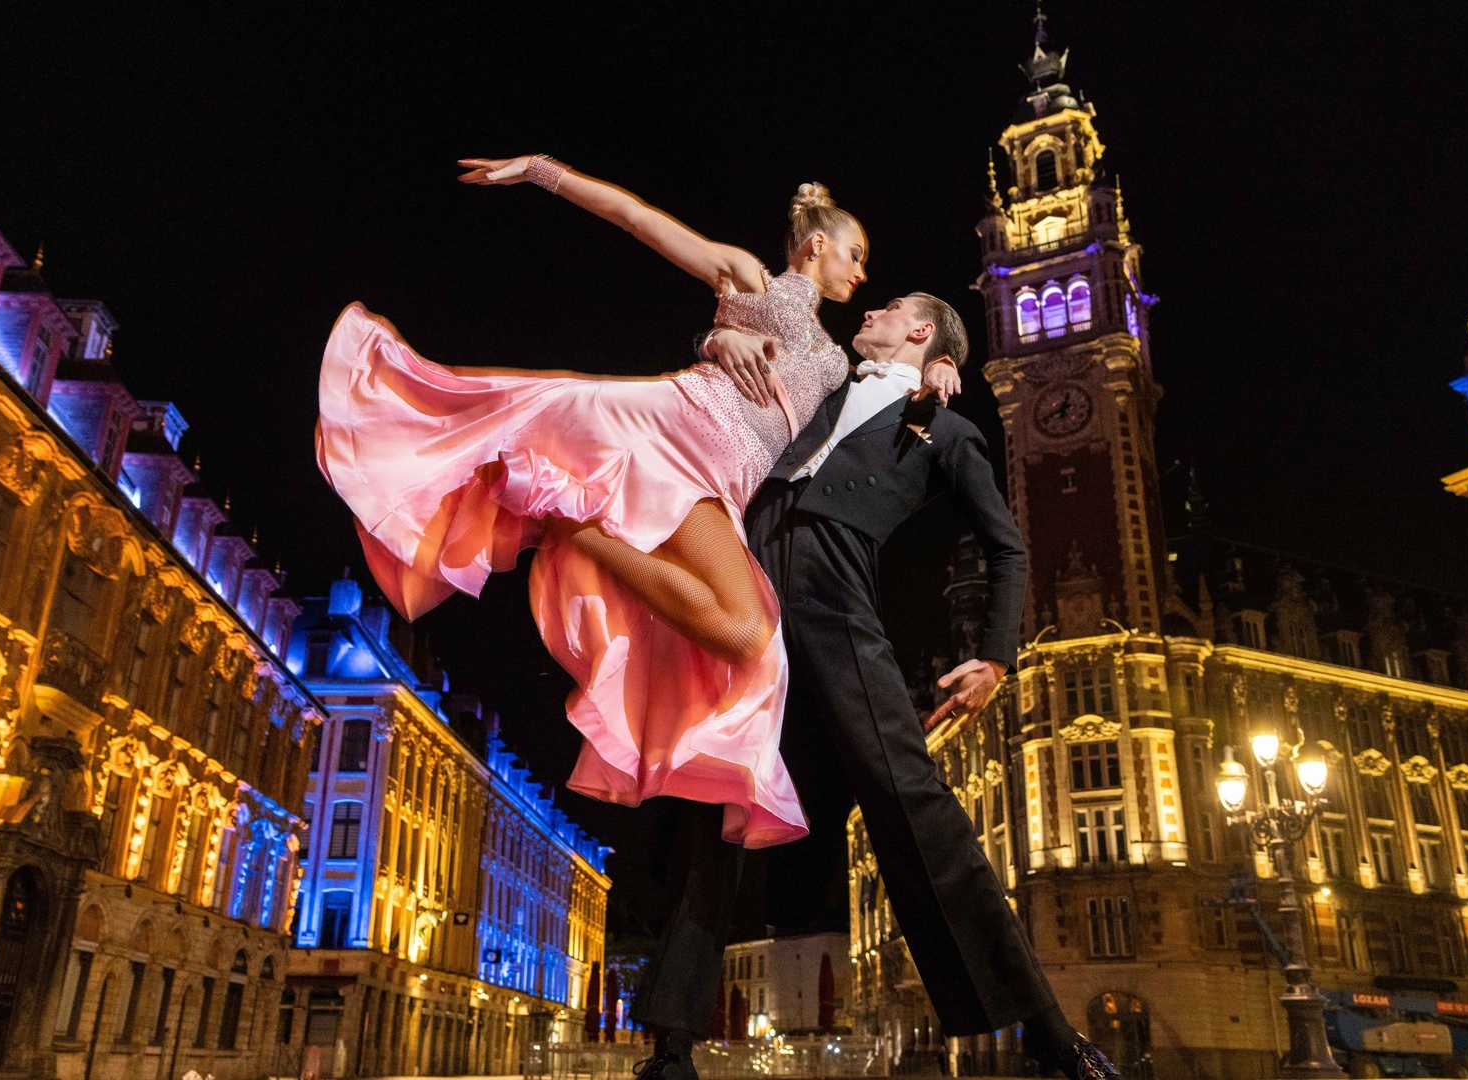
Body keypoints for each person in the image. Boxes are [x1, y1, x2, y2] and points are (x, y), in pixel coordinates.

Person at [315, 155, 959, 849]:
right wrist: (541, 172)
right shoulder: (748, 277)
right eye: (855, 255)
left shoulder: (837, 360)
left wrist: (940, 362)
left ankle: (567, 522)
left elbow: (875, 405)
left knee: (753, 643)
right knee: (503, 412)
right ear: (816, 245)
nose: (862, 274)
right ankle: (546, 506)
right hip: (672, 430)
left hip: (718, 485)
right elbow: (637, 219)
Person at [628, 296, 1117, 1080]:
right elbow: (726, 354)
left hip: (837, 607)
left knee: (914, 807)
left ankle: (1049, 1031)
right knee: (716, 810)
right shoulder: (822, 383)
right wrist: (720, 332)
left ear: (923, 334)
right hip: (749, 599)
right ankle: (670, 1049)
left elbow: (1009, 551)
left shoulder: (949, 430)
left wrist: (995, 658)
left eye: (892, 308)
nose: (873, 307)